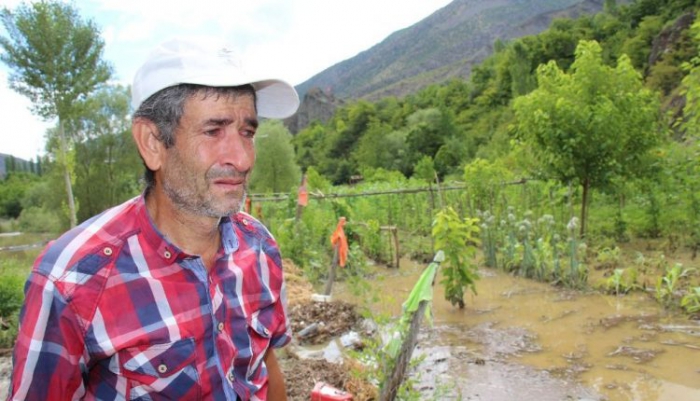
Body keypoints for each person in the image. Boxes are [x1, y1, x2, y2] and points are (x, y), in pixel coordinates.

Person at [8, 37, 300, 400]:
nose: (242, 158)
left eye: (248, 132)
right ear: (152, 143)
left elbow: (264, 366)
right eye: (213, 131)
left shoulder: (259, 246)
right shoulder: (71, 281)